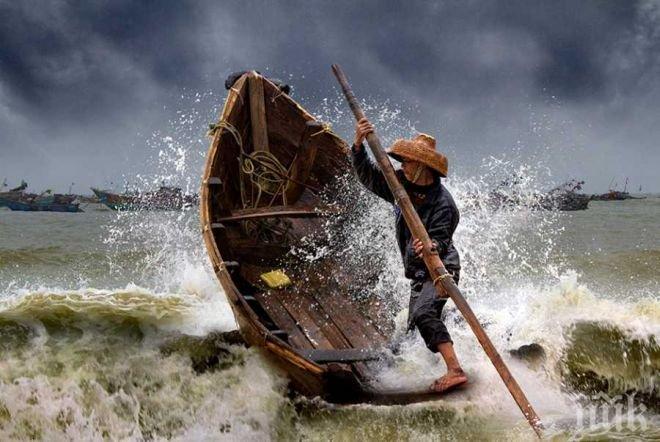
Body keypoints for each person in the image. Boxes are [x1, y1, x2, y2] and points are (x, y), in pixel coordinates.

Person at [351, 118, 468, 393]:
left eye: (408, 162)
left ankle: (455, 370)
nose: (402, 166)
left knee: (424, 313)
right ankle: (414, 366)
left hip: (440, 268)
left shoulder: (444, 204)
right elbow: (369, 176)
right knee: (414, 326)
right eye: (402, 162)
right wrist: (358, 144)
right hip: (418, 270)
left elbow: (440, 238)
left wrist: (429, 246)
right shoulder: (399, 184)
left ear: (423, 167)